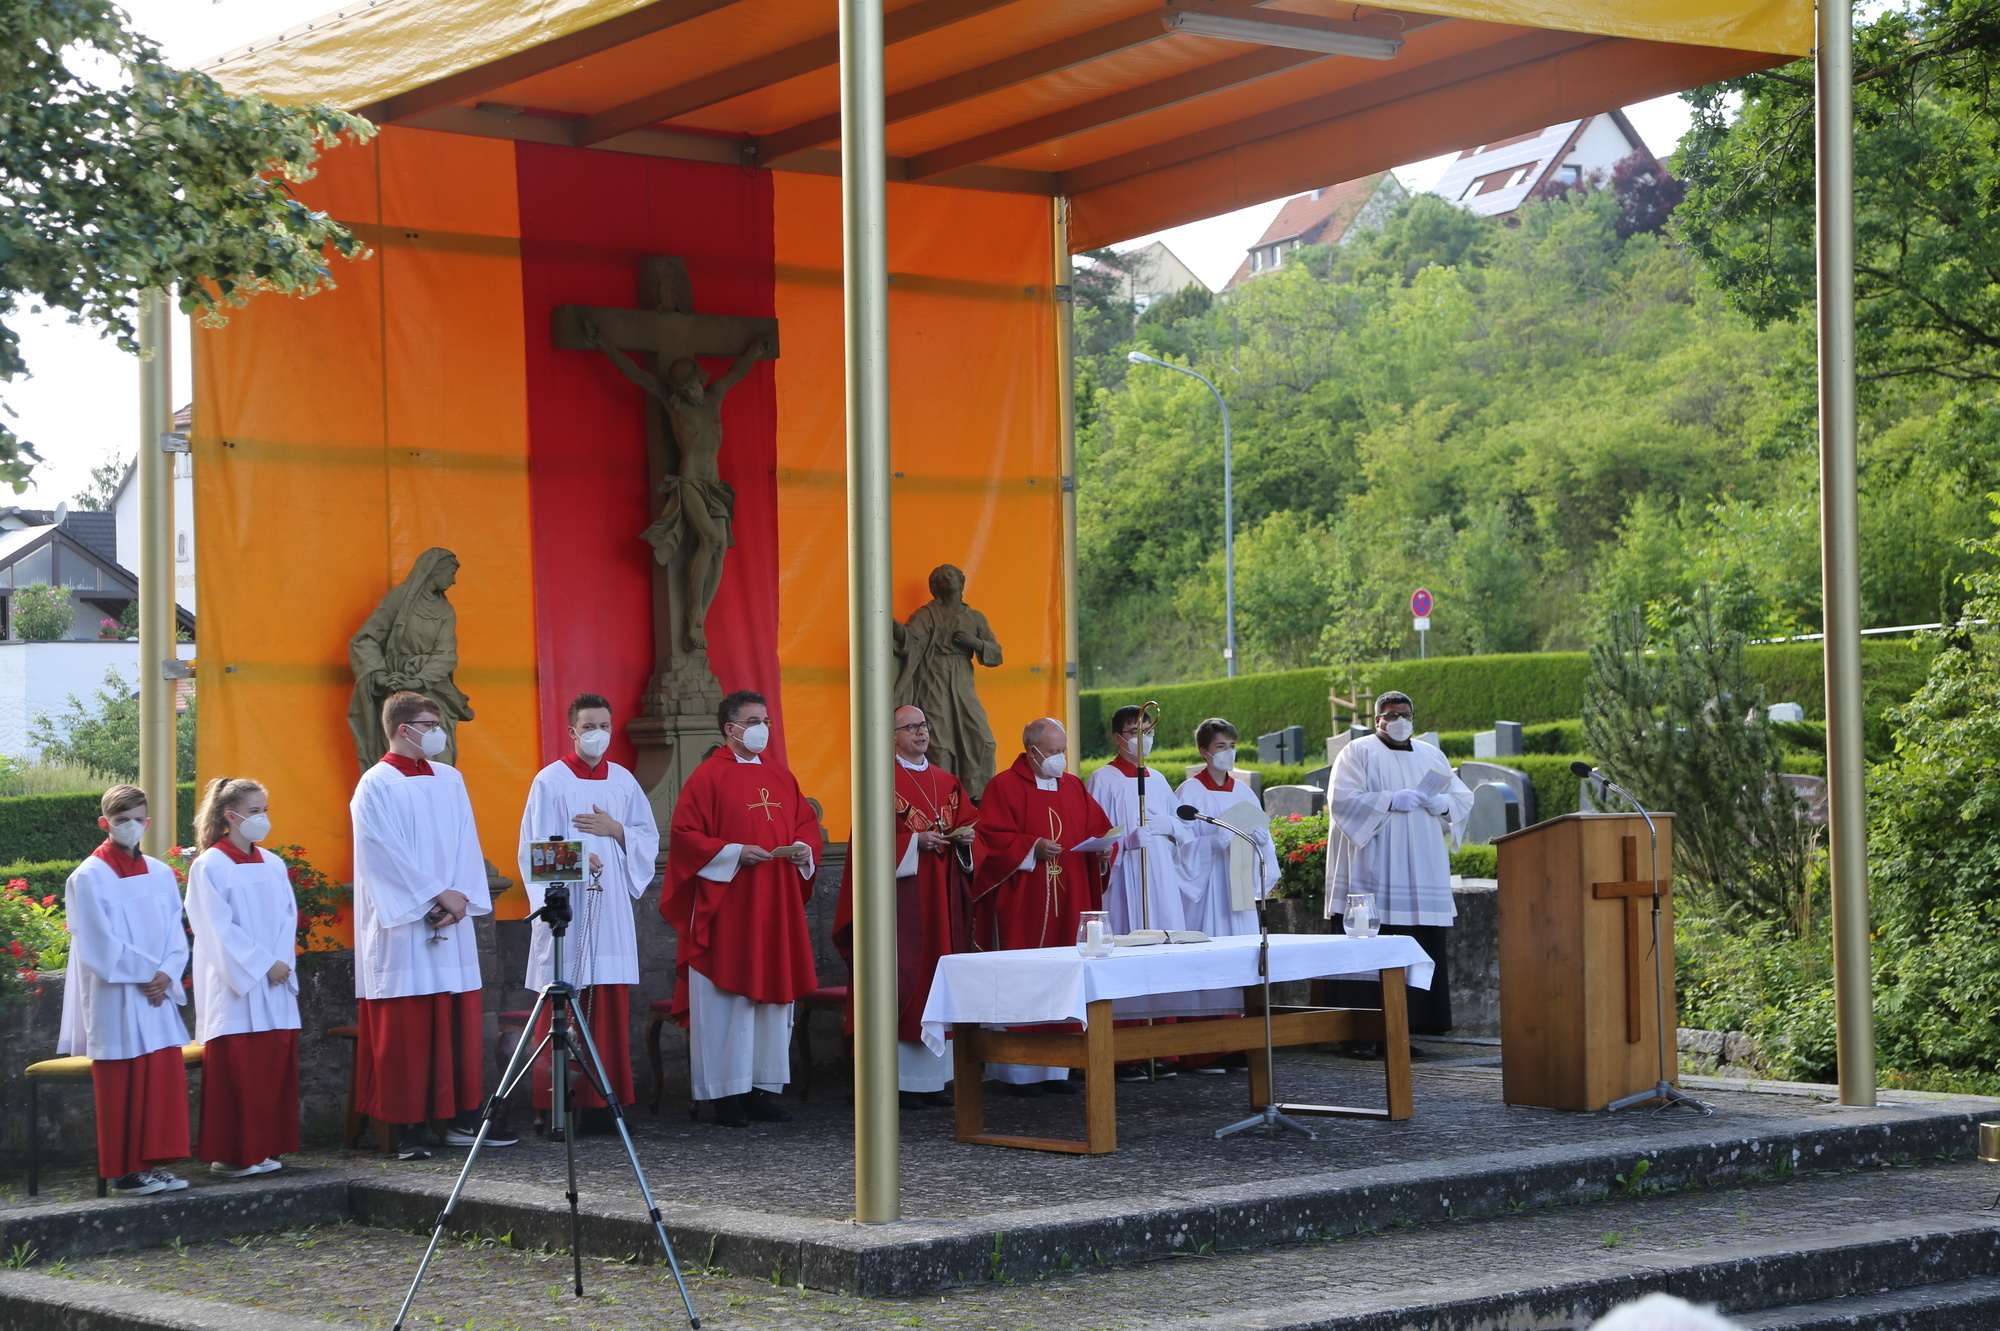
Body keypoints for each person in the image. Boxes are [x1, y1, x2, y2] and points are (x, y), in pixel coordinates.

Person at [350, 690, 513, 1160]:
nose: (439, 732)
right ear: (405, 729)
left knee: (456, 1022)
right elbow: (381, 854)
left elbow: (467, 841)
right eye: (429, 722)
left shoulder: (450, 779)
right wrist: (433, 895)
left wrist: (459, 895)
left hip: (451, 915)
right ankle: (409, 1129)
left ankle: (461, 1120)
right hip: (403, 925)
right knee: (408, 1028)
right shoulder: (375, 784)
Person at [662, 689, 820, 1127]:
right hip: (728, 907)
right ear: (731, 729)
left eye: (766, 720)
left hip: (776, 901)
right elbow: (686, 836)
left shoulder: (780, 775)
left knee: (770, 999)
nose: (762, 729)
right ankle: (724, 1095)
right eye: (754, 721)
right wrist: (732, 852)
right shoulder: (707, 777)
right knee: (726, 1000)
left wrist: (804, 847)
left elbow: (806, 822)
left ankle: (761, 1090)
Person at [516, 693, 660, 1135]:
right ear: (572, 730)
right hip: (569, 911)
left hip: (610, 905)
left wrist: (617, 831)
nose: (597, 734)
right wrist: (579, 858)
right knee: (564, 996)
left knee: (609, 1000)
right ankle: (554, 1107)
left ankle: (603, 1105)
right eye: (588, 726)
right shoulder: (550, 781)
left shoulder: (623, 782)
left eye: (604, 725)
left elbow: (647, 838)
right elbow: (534, 852)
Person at [832, 704, 977, 1109]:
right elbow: (865, 845)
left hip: (943, 898)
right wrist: (915, 843)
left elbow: (970, 827)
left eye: (923, 725)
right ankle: (896, 1082)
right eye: (910, 727)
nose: (920, 732)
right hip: (900, 905)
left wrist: (964, 842)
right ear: (892, 736)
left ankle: (935, 1080)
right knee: (900, 981)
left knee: (938, 980)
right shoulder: (878, 781)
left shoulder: (947, 781)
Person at [1321, 691, 1473, 1049]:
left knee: (1414, 943)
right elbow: (1341, 799)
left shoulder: (1431, 754)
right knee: (1369, 946)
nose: (1399, 720)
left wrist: (1444, 803)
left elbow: (1463, 797)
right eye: (1391, 715)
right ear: (1378, 720)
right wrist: (1390, 799)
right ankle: (1358, 1034)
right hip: (1373, 869)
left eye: (1405, 714)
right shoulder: (1357, 752)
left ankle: (1404, 1031)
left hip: (1421, 872)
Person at [59, 785, 191, 1196]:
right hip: (117, 995)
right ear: (105, 824)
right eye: (122, 821)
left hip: (156, 993)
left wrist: (167, 972)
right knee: (123, 1082)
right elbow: (97, 942)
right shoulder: (87, 876)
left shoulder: (159, 871)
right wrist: (147, 974)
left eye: (138, 819)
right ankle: (126, 1171)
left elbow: (176, 928)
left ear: (148, 822)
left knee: (161, 1078)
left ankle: (158, 1162)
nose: (132, 827)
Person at [970, 717, 1111, 1096]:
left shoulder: (1074, 786)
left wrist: (1104, 850)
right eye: (1053, 752)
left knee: (1066, 976)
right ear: (1031, 751)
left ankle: (1059, 1069)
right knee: (1027, 976)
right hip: (1025, 901)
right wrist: (1031, 847)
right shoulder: (1004, 786)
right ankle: (1018, 1071)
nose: (1060, 759)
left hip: (1071, 896)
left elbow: (1098, 829)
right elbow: (991, 840)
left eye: (1064, 751)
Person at [185, 777, 299, 1178]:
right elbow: (215, 928)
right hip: (236, 986)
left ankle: (262, 1148)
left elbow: (289, 918)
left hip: (275, 980)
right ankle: (232, 1153)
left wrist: (281, 962)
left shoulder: (273, 863)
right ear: (230, 816)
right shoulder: (209, 865)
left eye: (265, 809)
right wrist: (263, 964)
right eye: (255, 812)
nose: (263, 818)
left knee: (269, 1067)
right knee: (238, 1070)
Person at [892, 565, 1004, 800]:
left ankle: (978, 796)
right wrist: (888, 624)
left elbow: (995, 654)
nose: (947, 579)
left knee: (983, 738)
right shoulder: (926, 615)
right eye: (941, 578)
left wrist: (976, 643)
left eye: (951, 575)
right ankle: (942, 797)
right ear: (935, 587)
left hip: (962, 678)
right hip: (934, 677)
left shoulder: (975, 617)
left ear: (961, 582)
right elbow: (910, 641)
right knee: (939, 743)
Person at [1174, 718, 1281, 941]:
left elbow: (1263, 837)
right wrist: (1211, 843)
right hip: (1207, 883)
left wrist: (1260, 843)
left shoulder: (1244, 792)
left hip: (1239, 883)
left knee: (1244, 941)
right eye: (1220, 747)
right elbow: (1177, 847)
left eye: (1232, 746)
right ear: (1204, 752)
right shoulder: (1189, 792)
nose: (1228, 752)